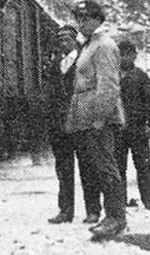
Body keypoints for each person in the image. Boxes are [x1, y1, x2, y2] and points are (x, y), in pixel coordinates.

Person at [64, 0, 127, 241]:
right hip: (86, 116)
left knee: (106, 166)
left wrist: (100, 117)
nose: (81, 24)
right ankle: (112, 216)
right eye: (78, 19)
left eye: (86, 18)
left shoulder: (104, 46)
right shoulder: (91, 45)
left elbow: (109, 86)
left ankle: (116, 218)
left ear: (98, 20)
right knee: (99, 167)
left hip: (97, 118)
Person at [45, 25, 101, 224]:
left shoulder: (83, 62)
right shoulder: (55, 65)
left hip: (80, 122)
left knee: (88, 168)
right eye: (60, 40)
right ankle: (65, 211)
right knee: (64, 170)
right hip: (60, 126)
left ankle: (93, 210)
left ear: (74, 40)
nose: (63, 43)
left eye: (66, 39)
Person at [116, 42, 150, 211]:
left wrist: (148, 124)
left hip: (138, 128)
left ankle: (149, 201)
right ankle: (120, 201)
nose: (124, 58)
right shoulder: (111, 76)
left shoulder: (141, 76)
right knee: (118, 168)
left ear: (134, 55)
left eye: (128, 54)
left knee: (143, 166)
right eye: (121, 54)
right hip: (117, 129)